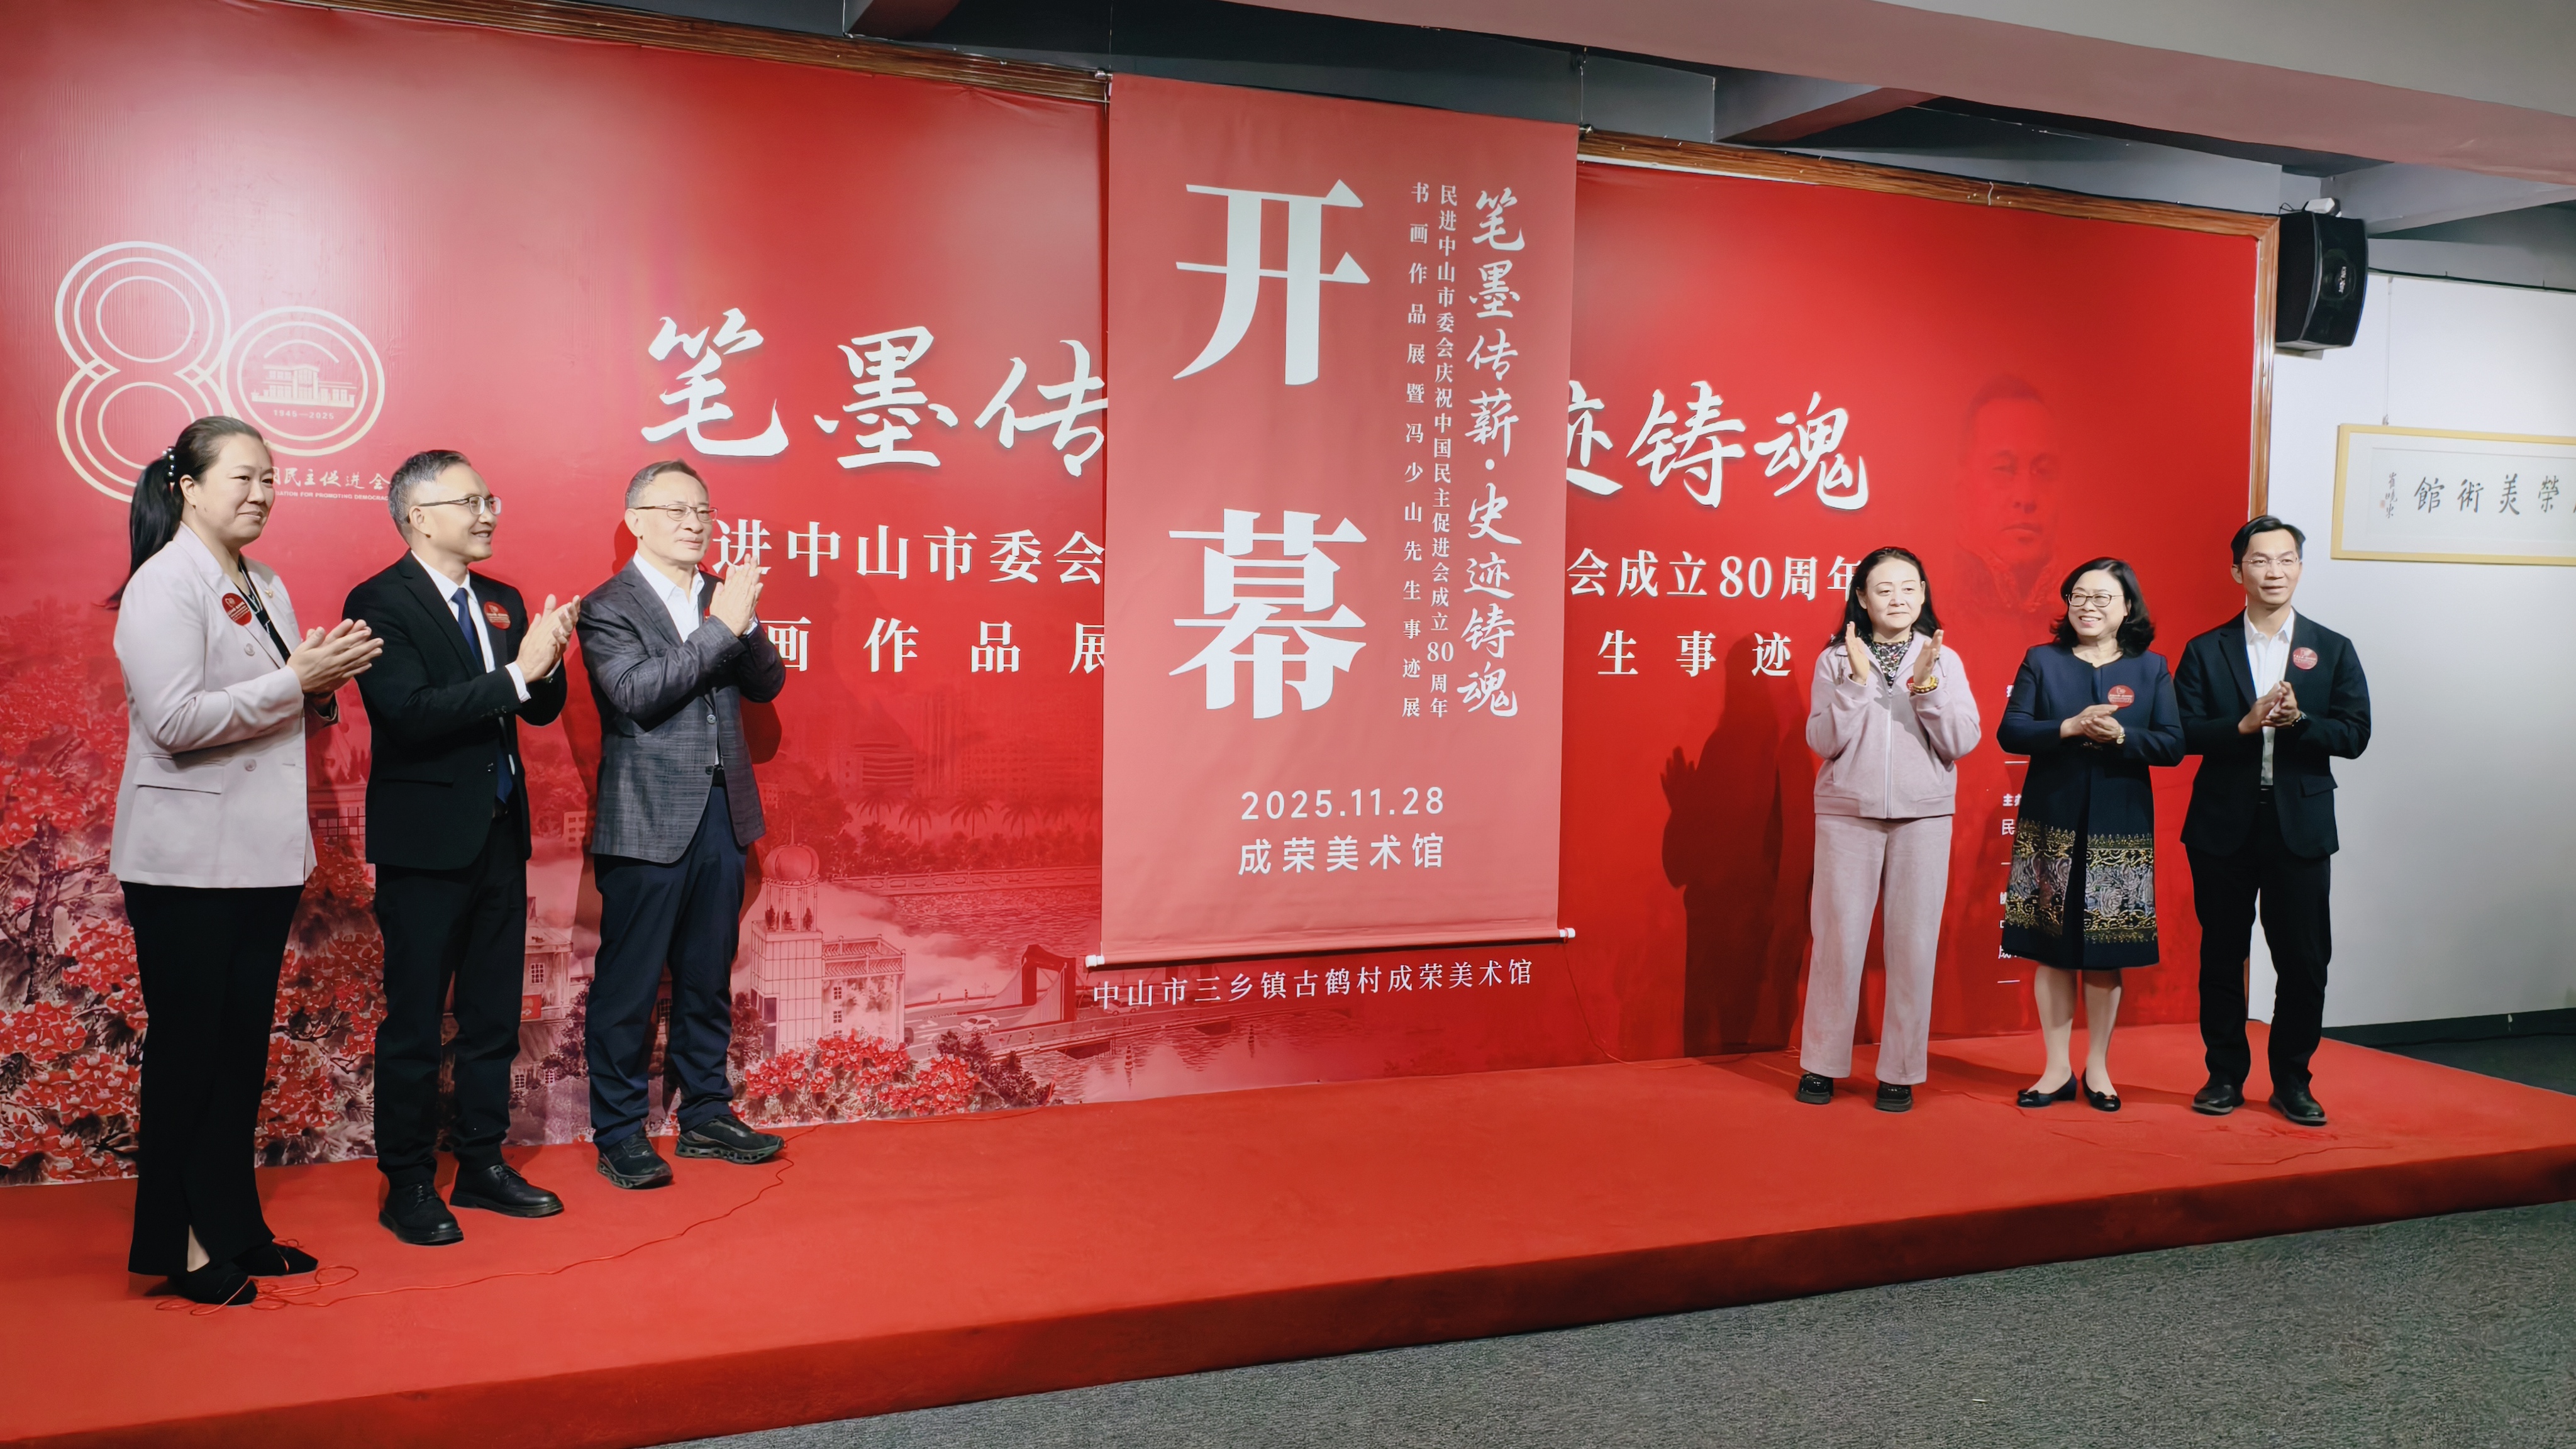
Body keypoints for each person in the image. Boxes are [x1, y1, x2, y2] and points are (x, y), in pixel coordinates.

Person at [108, 416, 382, 1306]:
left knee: (238, 1052)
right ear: (187, 486)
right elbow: (175, 721)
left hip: (263, 856)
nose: (261, 493)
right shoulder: (164, 582)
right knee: (190, 1052)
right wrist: (297, 682)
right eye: (243, 477)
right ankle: (181, 1244)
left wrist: (321, 687)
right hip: (185, 862)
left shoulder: (264, 582)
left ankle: (231, 1225)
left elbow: (278, 697)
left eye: (270, 479)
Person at [345, 450, 581, 1245]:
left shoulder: (502, 599)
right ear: (418, 517)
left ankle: (481, 1162)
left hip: (499, 835)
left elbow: (537, 709)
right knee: (415, 1023)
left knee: (492, 1017)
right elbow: (409, 712)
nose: (487, 514)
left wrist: (549, 659)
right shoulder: (380, 601)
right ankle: (409, 1181)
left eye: (490, 499)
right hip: (424, 845)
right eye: (469, 502)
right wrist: (519, 674)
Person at [576, 460, 787, 1187]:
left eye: (703, 510)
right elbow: (637, 692)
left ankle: (705, 1114)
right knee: (629, 986)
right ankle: (618, 1132)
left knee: (706, 977)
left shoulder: (721, 595)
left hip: (723, 816)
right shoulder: (609, 606)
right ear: (636, 521)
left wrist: (742, 622)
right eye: (676, 510)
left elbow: (767, 683)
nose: (695, 523)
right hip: (646, 818)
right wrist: (721, 627)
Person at [2175, 516, 2370, 1127]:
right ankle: (2223, 1076)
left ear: (2300, 569)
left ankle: (2292, 1081)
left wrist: (2300, 723)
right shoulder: (2206, 649)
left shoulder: (2332, 648)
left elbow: (2355, 735)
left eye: (2286, 560)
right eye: (2260, 561)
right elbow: (2181, 733)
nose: (2274, 572)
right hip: (2222, 823)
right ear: (2238, 571)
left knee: (2304, 960)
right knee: (2221, 954)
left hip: (2300, 825)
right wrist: (2242, 724)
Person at [1797, 547, 1982, 1113]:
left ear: (1923, 594)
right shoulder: (1836, 658)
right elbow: (1822, 741)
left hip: (1922, 817)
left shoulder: (1943, 659)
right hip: (1847, 815)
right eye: (1884, 589)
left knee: (1914, 948)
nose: (1898, 598)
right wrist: (1856, 683)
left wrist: (1926, 688)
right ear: (1862, 597)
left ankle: (1900, 1070)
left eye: (1909, 587)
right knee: (1837, 942)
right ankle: (1821, 1063)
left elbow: (1962, 741)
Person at [1997, 558, 2183, 1113]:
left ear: (2127, 607)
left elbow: (2173, 744)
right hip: (2051, 818)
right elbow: (2012, 730)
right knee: (2051, 948)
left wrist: (2122, 736)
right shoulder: (2043, 661)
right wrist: (2070, 727)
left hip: (2119, 821)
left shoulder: (2151, 668)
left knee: (2106, 949)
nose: (2088, 606)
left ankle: (2098, 1068)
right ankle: (2056, 1069)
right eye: (2079, 596)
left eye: (2102, 597)